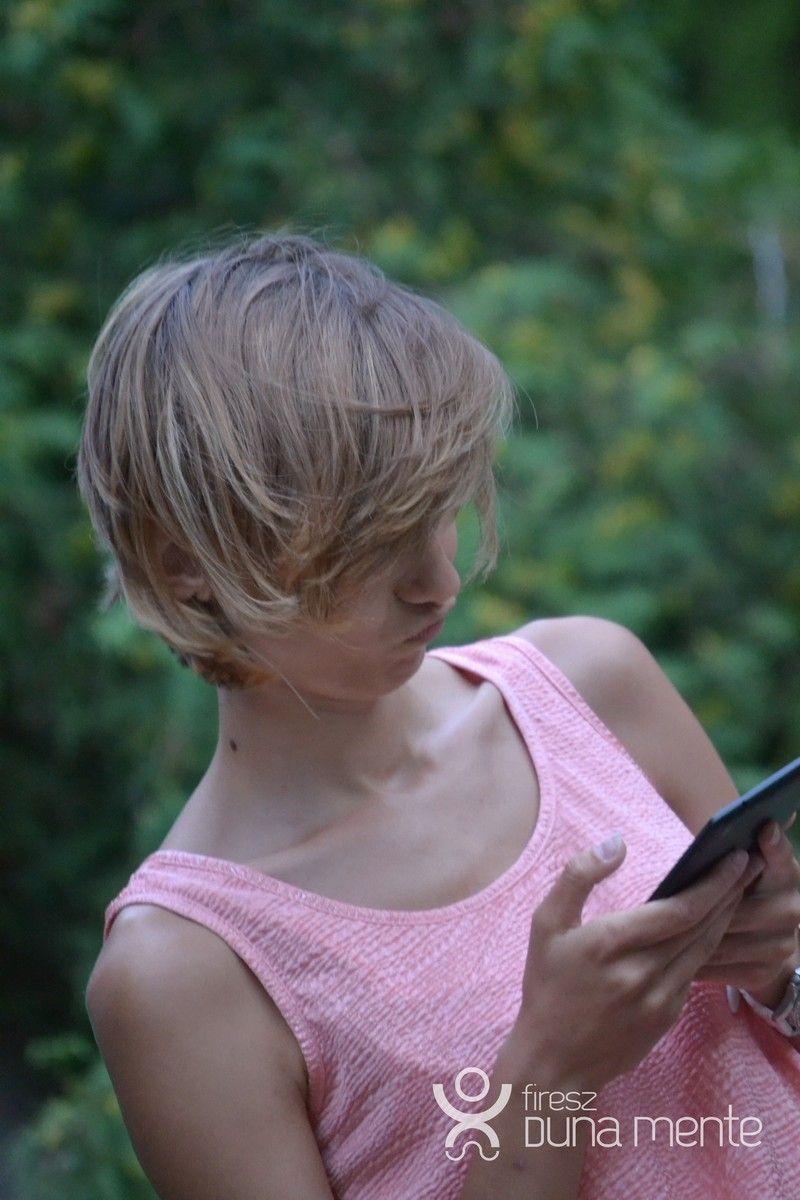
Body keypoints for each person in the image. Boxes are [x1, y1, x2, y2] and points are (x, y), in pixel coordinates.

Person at [79, 230, 800, 1200]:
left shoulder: (591, 685)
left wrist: (779, 973)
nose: (439, 581)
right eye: (372, 541)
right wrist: (548, 1073)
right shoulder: (184, 971)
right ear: (185, 564)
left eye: (441, 511)